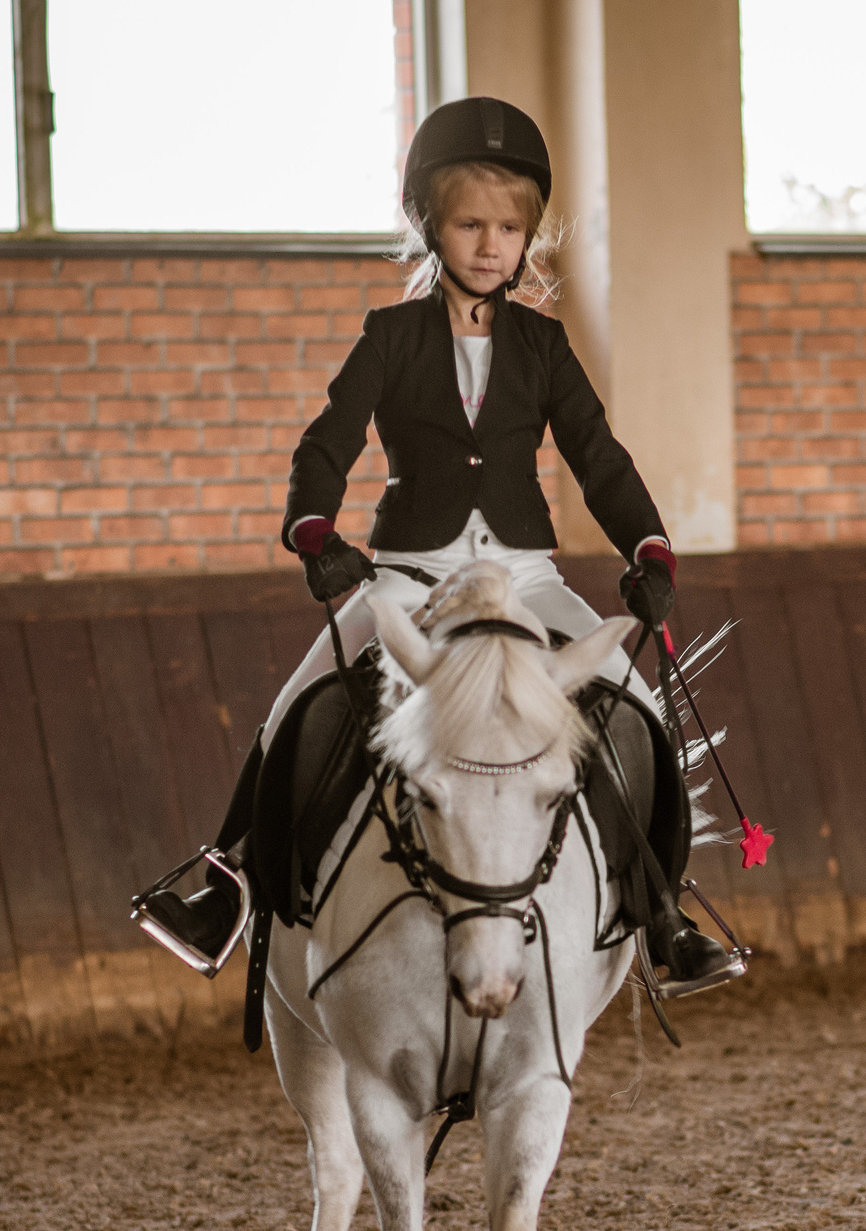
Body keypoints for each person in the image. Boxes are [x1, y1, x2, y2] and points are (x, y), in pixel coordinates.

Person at [136, 95, 741, 996]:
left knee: (638, 709)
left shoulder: (543, 344)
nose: (492, 245)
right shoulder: (391, 336)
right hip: (409, 578)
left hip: (524, 577)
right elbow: (326, 444)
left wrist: (649, 548)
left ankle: (663, 916)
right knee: (295, 710)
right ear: (431, 224)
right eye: (471, 224)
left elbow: (598, 456)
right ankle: (225, 883)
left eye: (509, 227)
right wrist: (316, 534)